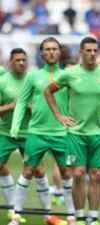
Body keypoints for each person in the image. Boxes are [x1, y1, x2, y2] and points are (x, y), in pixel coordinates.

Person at [44, 36, 100, 225]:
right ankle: (78, 217)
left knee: (96, 175)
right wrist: (59, 116)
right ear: (81, 53)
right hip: (76, 133)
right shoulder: (70, 74)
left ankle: (92, 218)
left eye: (95, 50)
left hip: (98, 133)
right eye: (88, 50)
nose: (92, 54)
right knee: (77, 173)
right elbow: (48, 91)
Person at [9, 38, 74, 225]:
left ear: (59, 52)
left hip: (62, 134)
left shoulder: (68, 76)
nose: (51, 52)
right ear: (42, 53)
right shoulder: (33, 76)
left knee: (66, 173)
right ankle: (16, 215)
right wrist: (16, 125)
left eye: (54, 49)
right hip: (36, 132)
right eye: (47, 49)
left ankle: (71, 216)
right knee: (28, 171)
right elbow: (22, 102)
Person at [0, 48, 45, 224]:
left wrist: (27, 106)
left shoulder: (33, 80)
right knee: (0, 165)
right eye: (17, 60)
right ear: (10, 62)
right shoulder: (3, 81)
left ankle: (47, 213)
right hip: (5, 131)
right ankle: (13, 208)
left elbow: (42, 110)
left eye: (23, 60)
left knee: (39, 170)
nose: (20, 63)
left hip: (30, 133)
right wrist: (11, 106)